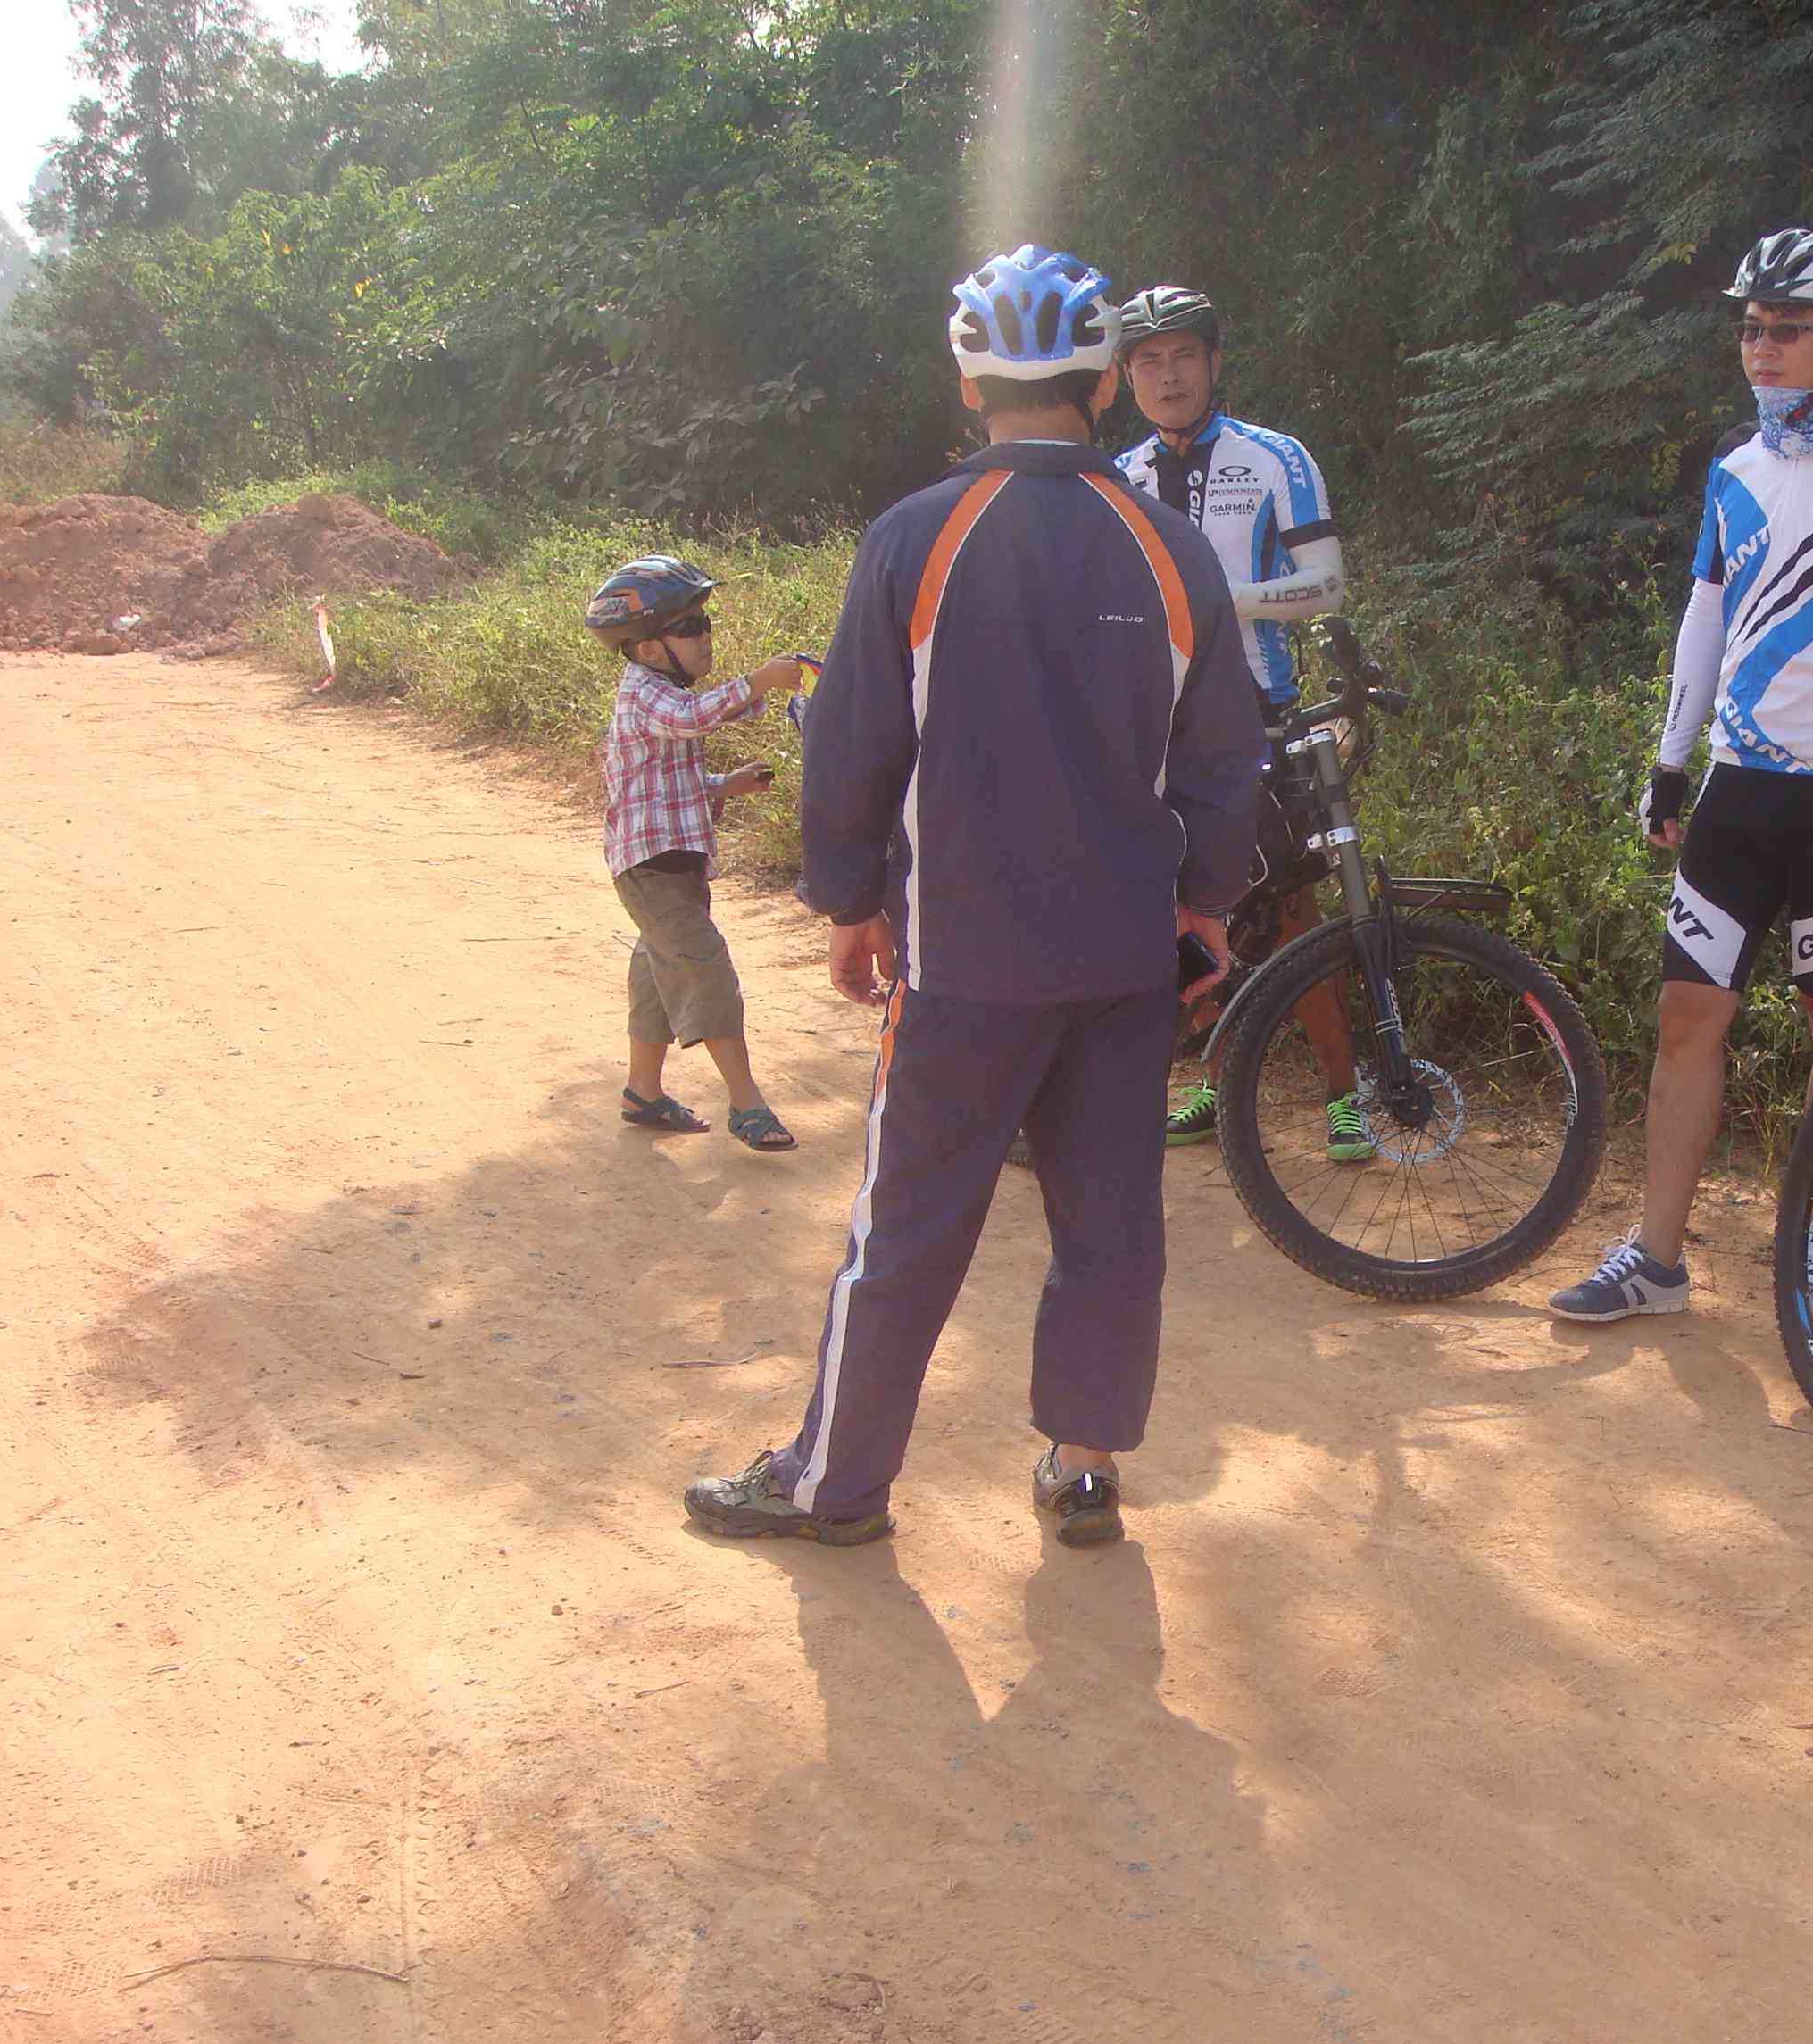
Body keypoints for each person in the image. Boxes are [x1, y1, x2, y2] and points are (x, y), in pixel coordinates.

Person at [682, 245, 1266, 1550]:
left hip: (963, 959)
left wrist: (848, 900)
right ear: (1105, 384)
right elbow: (1226, 755)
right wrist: (1210, 904)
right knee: (1110, 1225)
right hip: (1127, 957)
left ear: (967, 387)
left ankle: (836, 1487)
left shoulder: (916, 537)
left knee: (907, 1227)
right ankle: (1085, 1468)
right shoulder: (1170, 547)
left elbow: (852, 743)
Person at [1548, 228, 1813, 1323]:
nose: (1761, 348)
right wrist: (1669, 762)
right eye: (1749, 328)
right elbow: (1705, 616)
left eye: (1786, 330)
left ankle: (1812, 1248)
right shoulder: (1734, 467)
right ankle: (1657, 1260)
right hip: (1738, 785)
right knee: (1687, 1011)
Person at [1110, 283, 1371, 1165]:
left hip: (1258, 717)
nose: (1169, 375)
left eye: (1184, 355)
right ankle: (1214, 1085)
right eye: (1149, 361)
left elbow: (1326, 585)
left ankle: (1344, 1097)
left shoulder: (1274, 459)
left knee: (1293, 912)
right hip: (1154, 729)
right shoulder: (1119, 479)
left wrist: (1222, 601)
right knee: (1174, 914)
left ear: (1215, 363)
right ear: (1126, 376)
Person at [587, 554, 808, 1152]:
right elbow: (692, 718)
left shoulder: (659, 692)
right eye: (689, 627)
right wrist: (758, 681)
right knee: (705, 968)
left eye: (704, 622)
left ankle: (643, 1091)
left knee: (658, 973)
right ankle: (747, 1105)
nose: (704, 635)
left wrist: (724, 786)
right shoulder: (645, 694)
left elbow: (665, 785)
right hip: (650, 869)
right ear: (648, 649)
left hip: (670, 864)